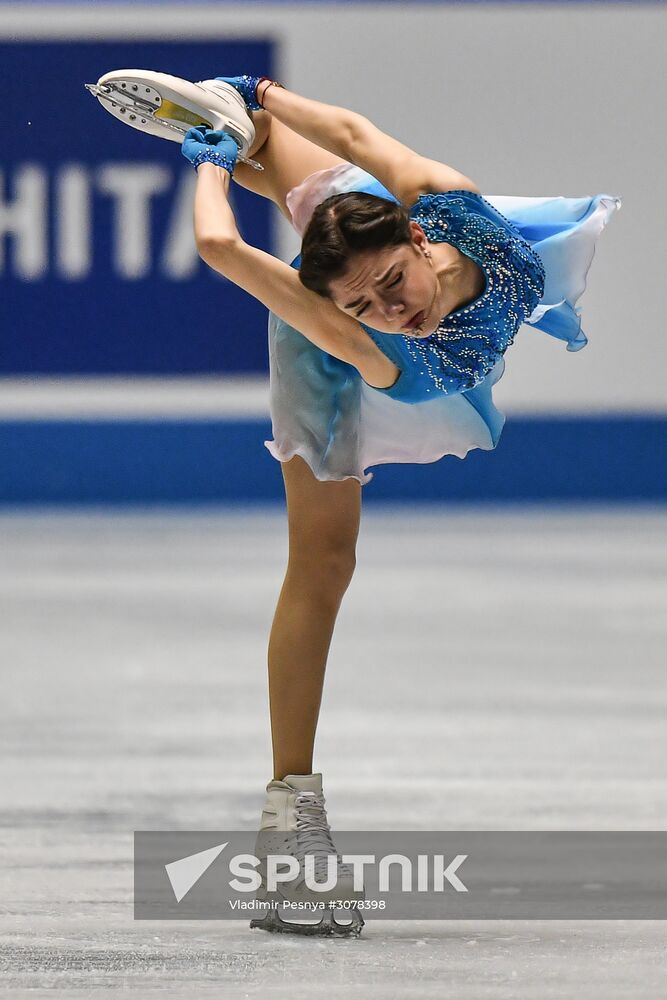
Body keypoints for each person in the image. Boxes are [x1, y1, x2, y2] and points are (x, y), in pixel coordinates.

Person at [174, 73, 620, 936]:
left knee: (278, 138)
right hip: (327, 348)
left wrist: (258, 92)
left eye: (391, 285)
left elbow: (349, 128)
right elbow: (222, 250)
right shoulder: (368, 339)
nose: (392, 312)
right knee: (325, 561)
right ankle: (289, 828)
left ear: (420, 238)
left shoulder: (455, 211)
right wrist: (211, 166)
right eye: (365, 303)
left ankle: (246, 124)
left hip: (352, 221)